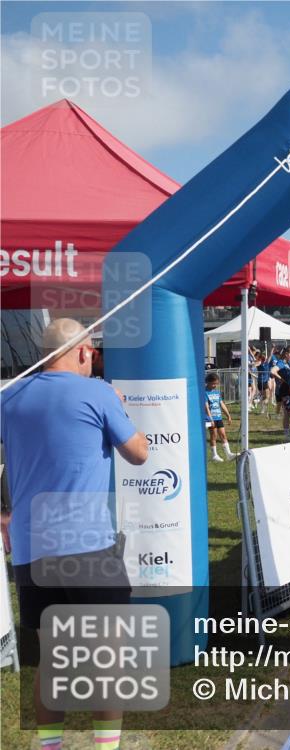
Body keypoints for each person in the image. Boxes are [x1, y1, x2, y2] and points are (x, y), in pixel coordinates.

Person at [1, 318, 149, 750]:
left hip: (32, 551)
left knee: (53, 661)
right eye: (94, 354)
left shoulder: (10, 398)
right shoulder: (98, 392)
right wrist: (119, 406)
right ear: (83, 352)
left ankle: (51, 746)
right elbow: (139, 453)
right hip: (88, 549)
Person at [205, 373, 235, 460]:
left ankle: (229, 454)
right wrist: (210, 419)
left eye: (216, 383)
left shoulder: (217, 392)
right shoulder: (204, 392)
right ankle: (215, 455)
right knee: (213, 435)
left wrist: (228, 415)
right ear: (208, 382)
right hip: (210, 418)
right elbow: (206, 407)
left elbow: (221, 404)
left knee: (223, 435)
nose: (215, 385)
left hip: (219, 417)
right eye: (213, 383)